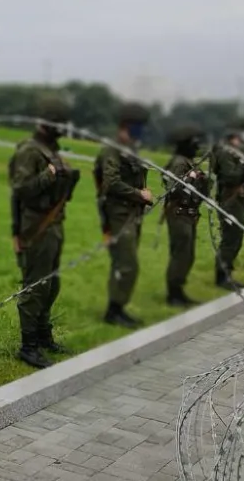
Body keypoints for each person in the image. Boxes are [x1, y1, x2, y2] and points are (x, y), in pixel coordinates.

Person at [8, 96, 79, 368]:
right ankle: (28, 346)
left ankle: (43, 336)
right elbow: (21, 189)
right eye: (59, 123)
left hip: (54, 226)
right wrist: (49, 175)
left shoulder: (51, 150)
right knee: (36, 286)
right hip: (36, 225)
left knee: (51, 284)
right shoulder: (29, 150)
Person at [92, 102, 153, 328]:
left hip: (131, 215)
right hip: (118, 216)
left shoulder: (131, 151)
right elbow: (111, 183)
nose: (141, 131)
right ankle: (114, 311)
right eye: (138, 127)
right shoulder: (112, 149)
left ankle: (117, 308)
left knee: (125, 263)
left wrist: (141, 196)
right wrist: (140, 195)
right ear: (126, 126)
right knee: (126, 264)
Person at [162, 123, 211, 307]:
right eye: (193, 142)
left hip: (189, 214)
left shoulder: (190, 163)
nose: (197, 146)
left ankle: (179, 290)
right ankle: (173, 293)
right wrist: (190, 178)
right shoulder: (179, 162)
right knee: (181, 253)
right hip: (178, 213)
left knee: (188, 254)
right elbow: (172, 189)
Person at [210, 124, 244, 288]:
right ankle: (221, 276)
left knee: (236, 238)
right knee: (230, 239)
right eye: (238, 139)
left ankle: (227, 272)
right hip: (230, 201)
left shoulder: (234, 153)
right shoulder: (226, 153)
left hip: (238, 201)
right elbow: (231, 177)